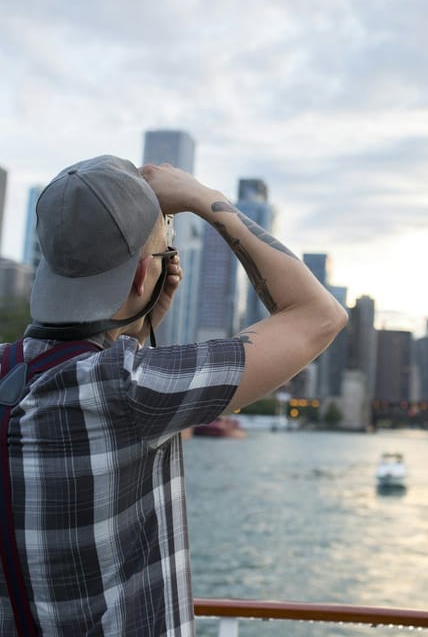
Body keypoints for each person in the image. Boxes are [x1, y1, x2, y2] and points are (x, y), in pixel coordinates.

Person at [0, 155, 348, 636]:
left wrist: (137, 331)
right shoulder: (133, 390)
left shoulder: (12, 370)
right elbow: (318, 315)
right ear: (145, 276)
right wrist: (203, 198)